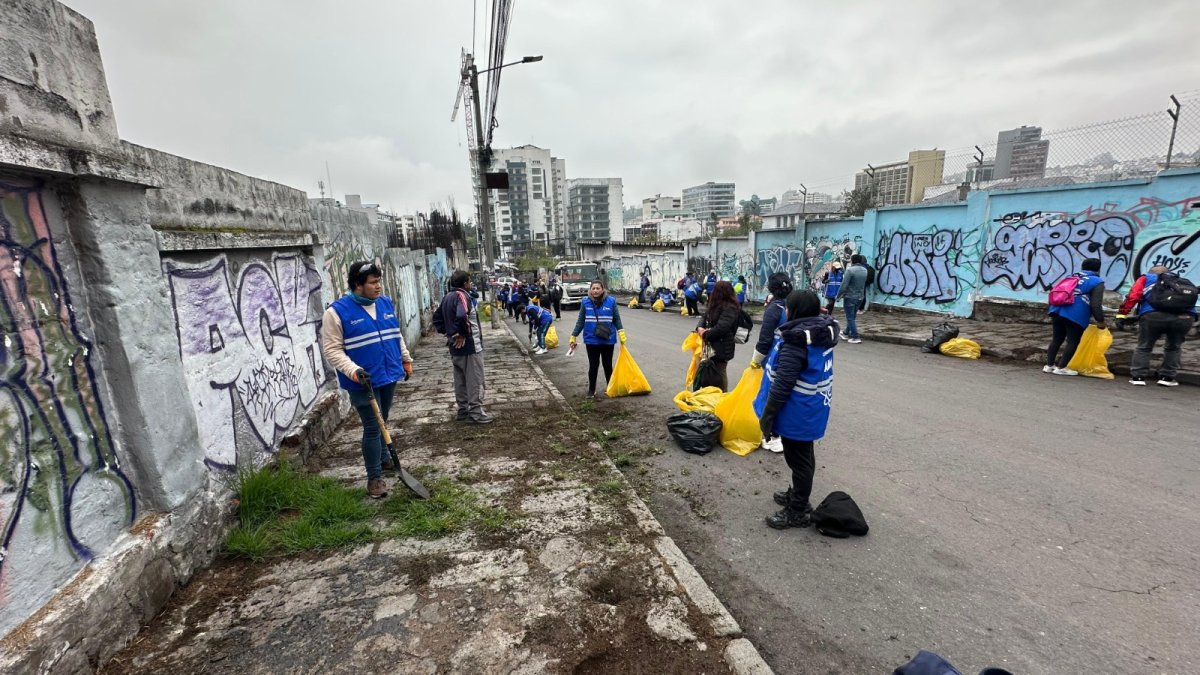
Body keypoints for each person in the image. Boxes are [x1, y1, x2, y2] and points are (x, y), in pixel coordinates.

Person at [321, 261, 413, 499]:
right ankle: (374, 479)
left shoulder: (384, 302)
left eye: (378, 281)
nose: (378, 286)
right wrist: (352, 370)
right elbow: (332, 350)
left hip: (388, 372)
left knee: (384, 418)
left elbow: (395, 332)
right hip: (362, 380)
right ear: (357, 285)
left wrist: (405, 358)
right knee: (373, 426)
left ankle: (384, 460)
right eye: (373, 282)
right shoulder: (336, 312)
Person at [754, 289, 839, 530]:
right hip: (810, 407)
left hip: (797, 411)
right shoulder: (817, 333)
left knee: (799, 460)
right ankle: (797, 496)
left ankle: (798, 509)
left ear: (795, 310)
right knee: (802, 456)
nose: (786, 312)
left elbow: (782, 385)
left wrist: (768, 417)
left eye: (788, 308)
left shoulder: (796, 342)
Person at [1119, 265, 1197, 386]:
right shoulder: (1181, 281)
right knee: (1174, 347)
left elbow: (1134, 296)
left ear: (1151, 272)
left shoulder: (1146, 278)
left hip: (1152, 316)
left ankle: (1138, 377)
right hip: (1183, 317)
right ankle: (1167, 378)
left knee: (1144, 346)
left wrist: (1122, 314)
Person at [434, 270, 493, 423]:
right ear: (465, 283)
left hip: (455, 347)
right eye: (470, 281)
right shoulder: (462, 296)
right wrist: (460, 333)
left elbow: (437, 318)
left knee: (460, 379)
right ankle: (476, 413)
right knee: (475, 379)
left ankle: (463, 410)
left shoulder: (447, 297)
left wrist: (449, 334)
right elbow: (461, 315)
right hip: (470, 346)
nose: (471, 284)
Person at [1045, 258, 1106, 376]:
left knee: (1057, 338)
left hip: (1057, 309)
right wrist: (1100, 320)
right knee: (1073, 341)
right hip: (1075, 313)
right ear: (1098, 268)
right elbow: (1096, 304)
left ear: (1083, 266)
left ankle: (1049, 365)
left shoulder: (1071, 276)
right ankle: (1062, 367)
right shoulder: (1097, 281)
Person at [570, 280, 627, 398]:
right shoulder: (585, 302)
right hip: (591, 339)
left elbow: (616, 318)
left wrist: (621, 332)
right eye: (593, 288)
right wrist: (573, 336)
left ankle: (610, 388)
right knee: (593, 365)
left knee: (607, 365)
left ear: (602, 289)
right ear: (590, 290)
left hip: (608, 339)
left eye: (598, 288)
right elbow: (580, 321)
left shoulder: (611, 301)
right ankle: (591, 390)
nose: (595, 291)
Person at [695, 280, 741, 391]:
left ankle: (722, 396)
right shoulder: (714, 305)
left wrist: (705, 334)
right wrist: (699, 328)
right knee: (707, 370)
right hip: (711, 344)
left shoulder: (731, 307)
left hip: (723, 346)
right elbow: (704, 318)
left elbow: (722, 328)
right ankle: (709, 394)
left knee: (720, 372)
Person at [835, 255, 868, 344]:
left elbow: (844, 285)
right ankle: (846, 332)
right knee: (852, 317)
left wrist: (838, 296)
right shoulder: (865, 270)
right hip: (860, 297)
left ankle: (855, 336)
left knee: (850, 317)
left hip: (850, 297)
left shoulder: (850, 270)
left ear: (852, 261)